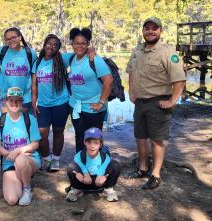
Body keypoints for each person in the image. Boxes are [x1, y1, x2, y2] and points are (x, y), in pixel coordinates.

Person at [126, 17, 186, 189]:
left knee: (157, 140)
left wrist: (172, 101)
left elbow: (179, 79)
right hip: (140, 103)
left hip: (158, 103)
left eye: (154, 28)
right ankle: (143, 168)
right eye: (147, 28)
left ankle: (155, 174)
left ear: (160, 31)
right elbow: (131, 72)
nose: (150, 31)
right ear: (143, 31)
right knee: (140, 138)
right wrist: (131, 92)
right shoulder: (138, 50)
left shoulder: (168, 53)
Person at [0, 87, 41, 206]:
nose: (14, 103)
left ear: (22, 102)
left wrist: (18, 151)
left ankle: (27, 189)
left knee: (21, 159)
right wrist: (11, 155)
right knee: (12, 200)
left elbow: (35, 143)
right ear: (5, 101)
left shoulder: (29, 119)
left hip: (29, 159)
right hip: (9, 162)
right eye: (11, 100)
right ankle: (22, 177)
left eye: (18, 100)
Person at [68, 28, 113, 152]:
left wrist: (101, 102)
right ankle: (80, 164)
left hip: (93, 108)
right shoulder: (72, 59)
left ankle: (96, 165)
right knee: (80, 136)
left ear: (88, 44)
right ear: (72, 44)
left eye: (83, 43)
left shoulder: (94, 60)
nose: (80, 46)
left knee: (93, 138)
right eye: (76, 43)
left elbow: (108, 81)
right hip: (76, 106)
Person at [31, 34, 71, 171]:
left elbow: (79, 53)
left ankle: (56, 160)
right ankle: (46, 158)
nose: (51, 46)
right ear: (44, 45)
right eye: (49, 43)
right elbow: (34, 85)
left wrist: (90, 51)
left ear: (58, 48)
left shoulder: (63, 59)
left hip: (61, 103)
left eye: (55, 45)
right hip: (43, 105)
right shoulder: (37, 62)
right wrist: (33, 103)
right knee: (42, 135)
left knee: (59, 131)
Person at [66, 127, 120, 202]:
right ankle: (77, 189)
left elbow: (98, 182)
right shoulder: (79, 156)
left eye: (96, 143)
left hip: (99, 181)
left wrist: (101, 182)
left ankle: (108, 189)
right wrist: (84, 178)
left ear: (100, 144)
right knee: (71, 167)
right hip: (84, 181)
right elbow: (87, 179)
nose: (92, 146)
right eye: (89, 142)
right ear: (84, 142)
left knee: (115, 165)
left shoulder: (105, 157)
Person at [0, 27, 37, 113]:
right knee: (7, 124)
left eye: (14, 37)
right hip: (5, 98)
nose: (11, 40)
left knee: (24, 124)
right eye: (8, 39)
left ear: (20, 37)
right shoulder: (1, 51)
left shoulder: (30, 53)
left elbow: (35, 74)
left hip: (25, 98)